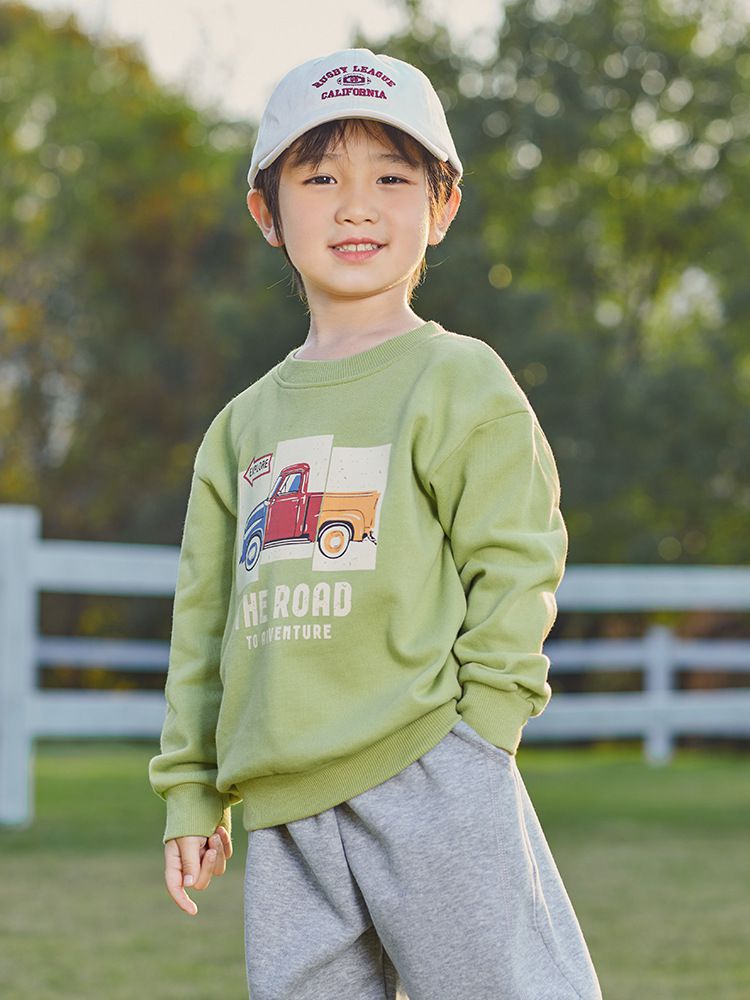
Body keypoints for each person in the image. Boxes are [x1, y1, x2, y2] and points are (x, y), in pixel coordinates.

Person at [148, 47, 603, 1000]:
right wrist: (192, 787)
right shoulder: (240, 427)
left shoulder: (459, 380)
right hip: (286, 806)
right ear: (267, 212)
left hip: (431, 770)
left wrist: (484, 731)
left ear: (443, 207)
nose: (356, 207)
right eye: (320, 179)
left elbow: (517, 561)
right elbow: (204, 622)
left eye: (392, 178)